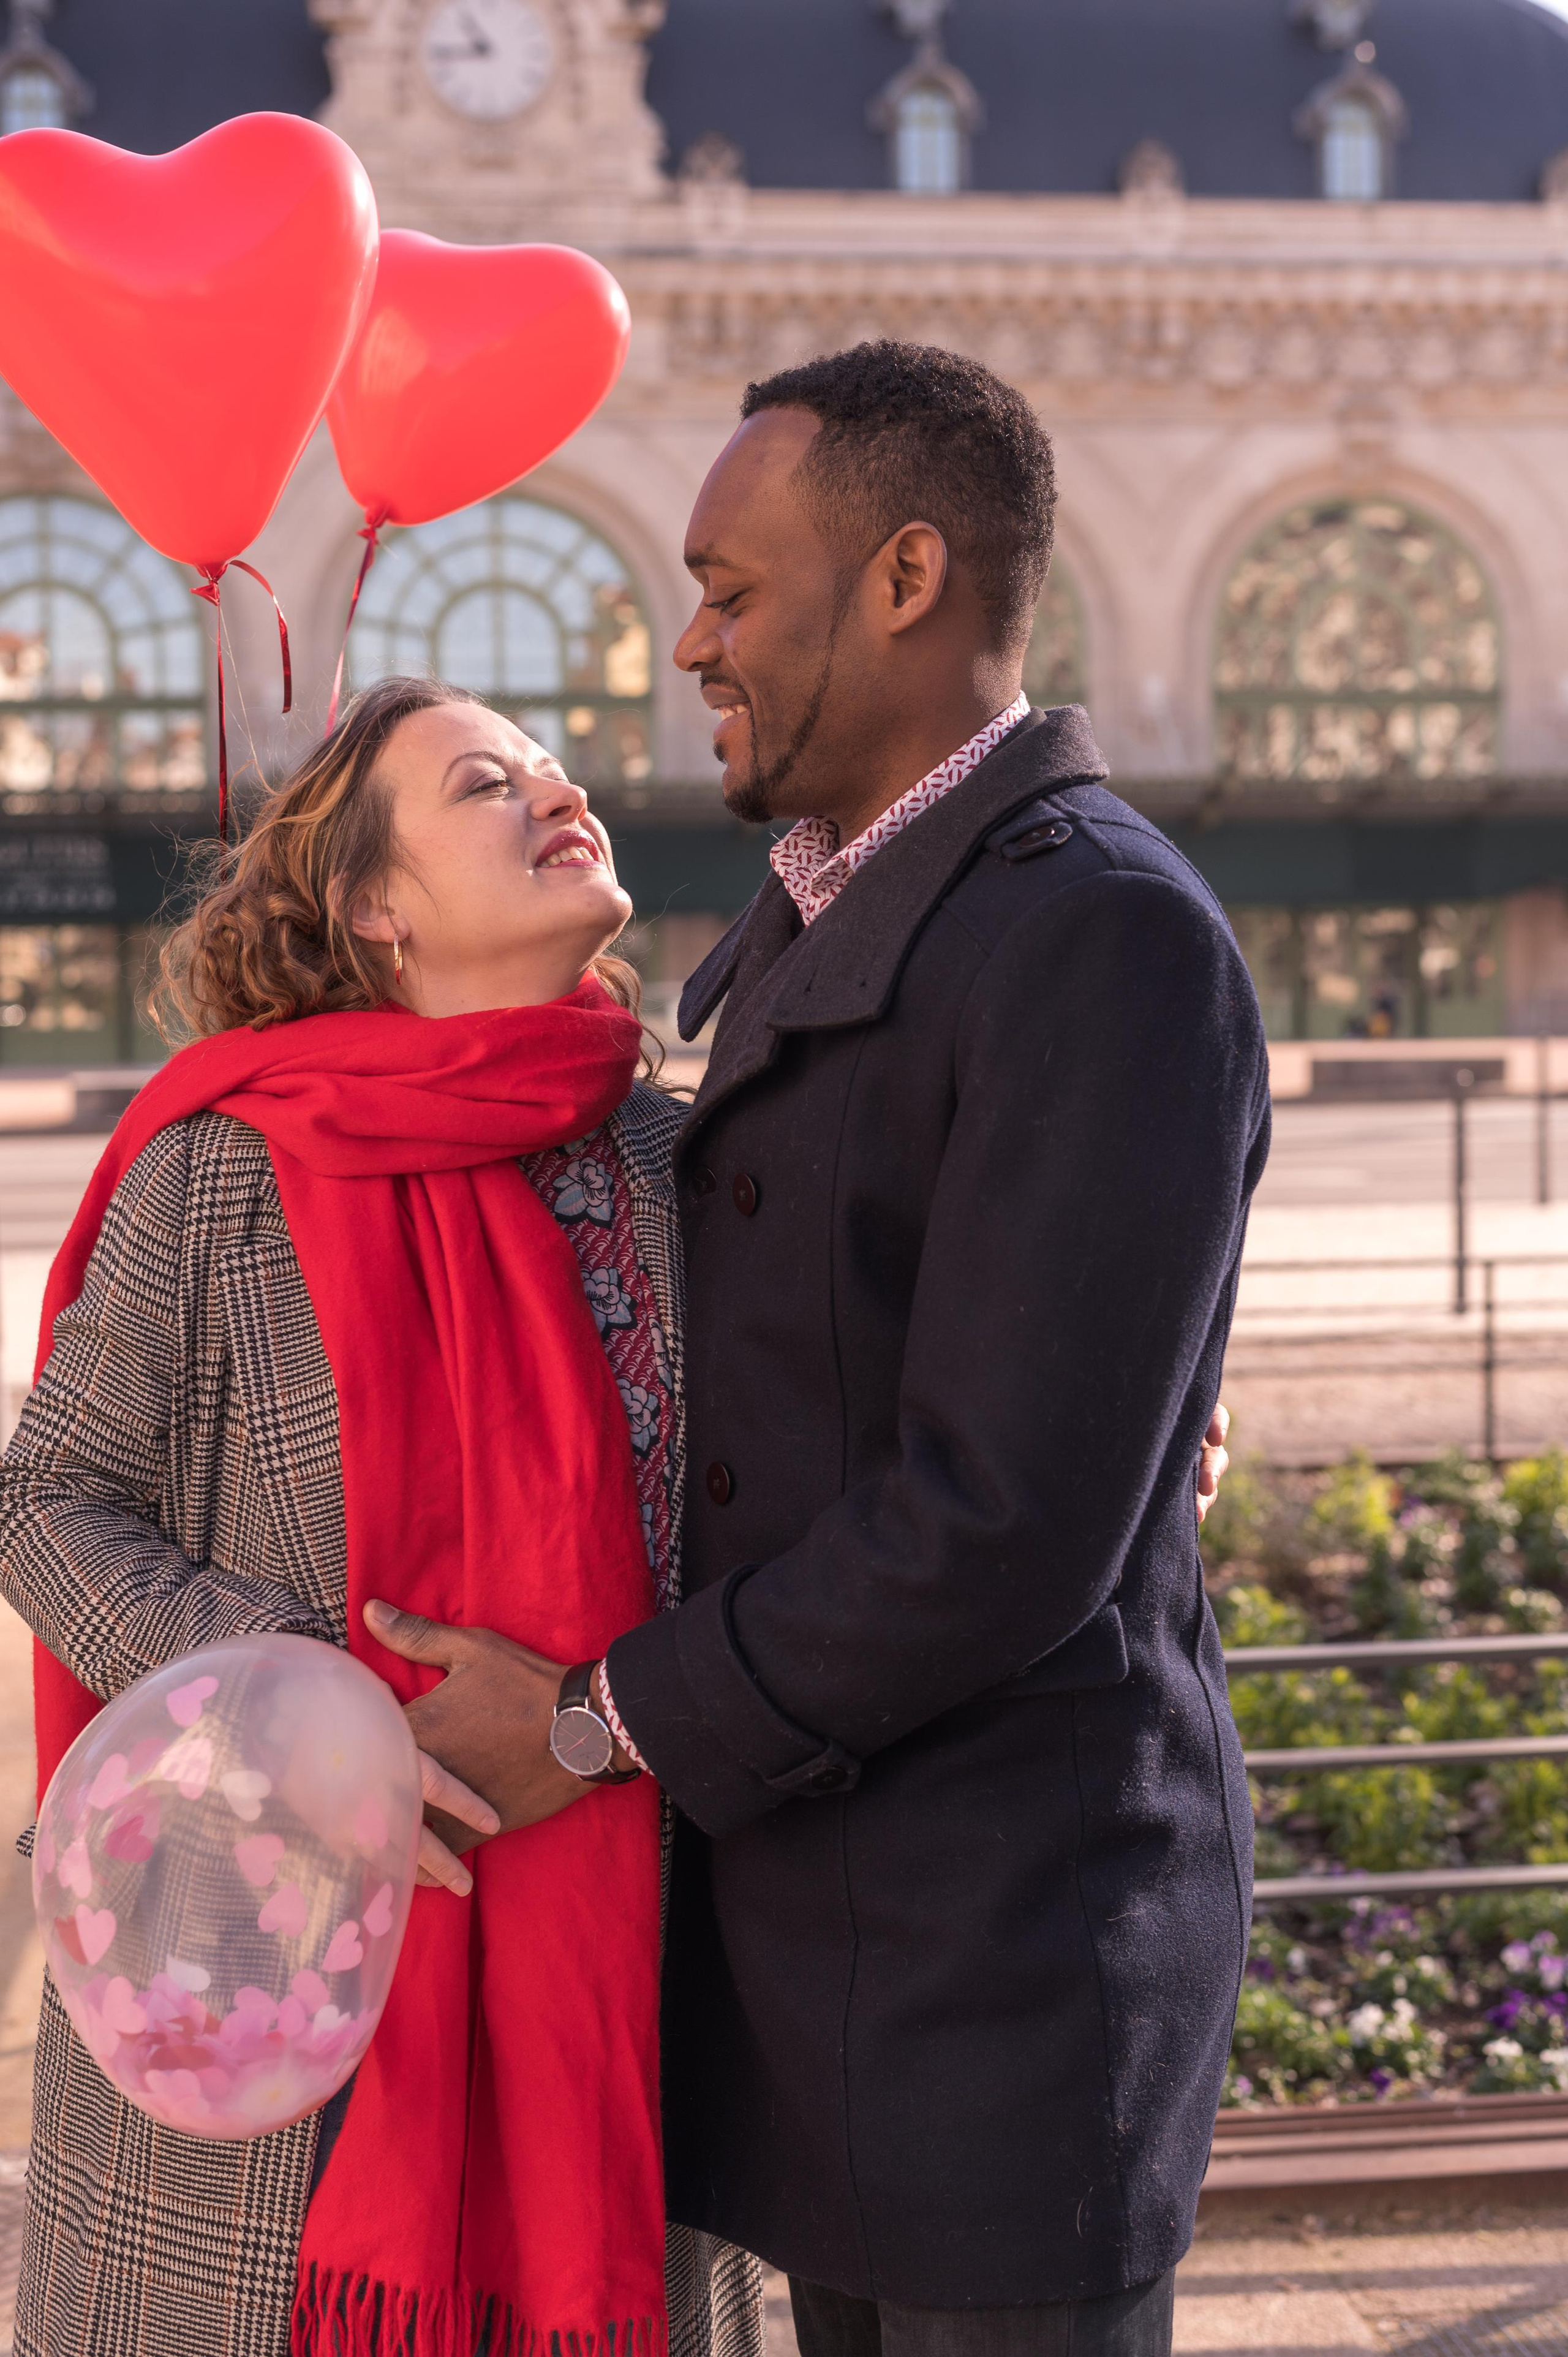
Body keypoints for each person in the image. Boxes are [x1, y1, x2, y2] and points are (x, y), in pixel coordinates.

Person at [387, 342, 1270, 2357]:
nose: (689, 639)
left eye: (731, 586)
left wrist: (594, 1719)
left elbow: (997, 1520)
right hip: (841, 1959)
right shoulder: (854, 911)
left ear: (904, 579)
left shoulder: (1096, 932)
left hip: (1000, 1977)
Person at [0, 676, 763, 2357]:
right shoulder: (225, 1160)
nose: (559, 794)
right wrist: (302, 1724)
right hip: (263, 1972)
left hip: (608, 1973)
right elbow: (48, 1497)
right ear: (376, 906)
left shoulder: (682, 1162)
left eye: (559, 770)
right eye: (490, 784)